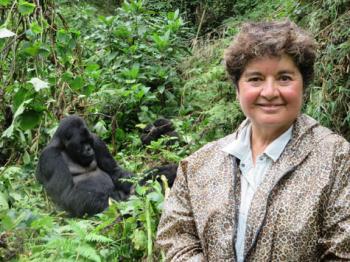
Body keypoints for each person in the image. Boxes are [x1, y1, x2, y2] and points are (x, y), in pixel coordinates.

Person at [156, 20, 350, 261]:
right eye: (255, 79)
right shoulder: (199, 164)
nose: (269, 92)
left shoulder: (337, 159)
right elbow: (176, 236)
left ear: (304, 85)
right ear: (237, 88)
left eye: (284, 78)